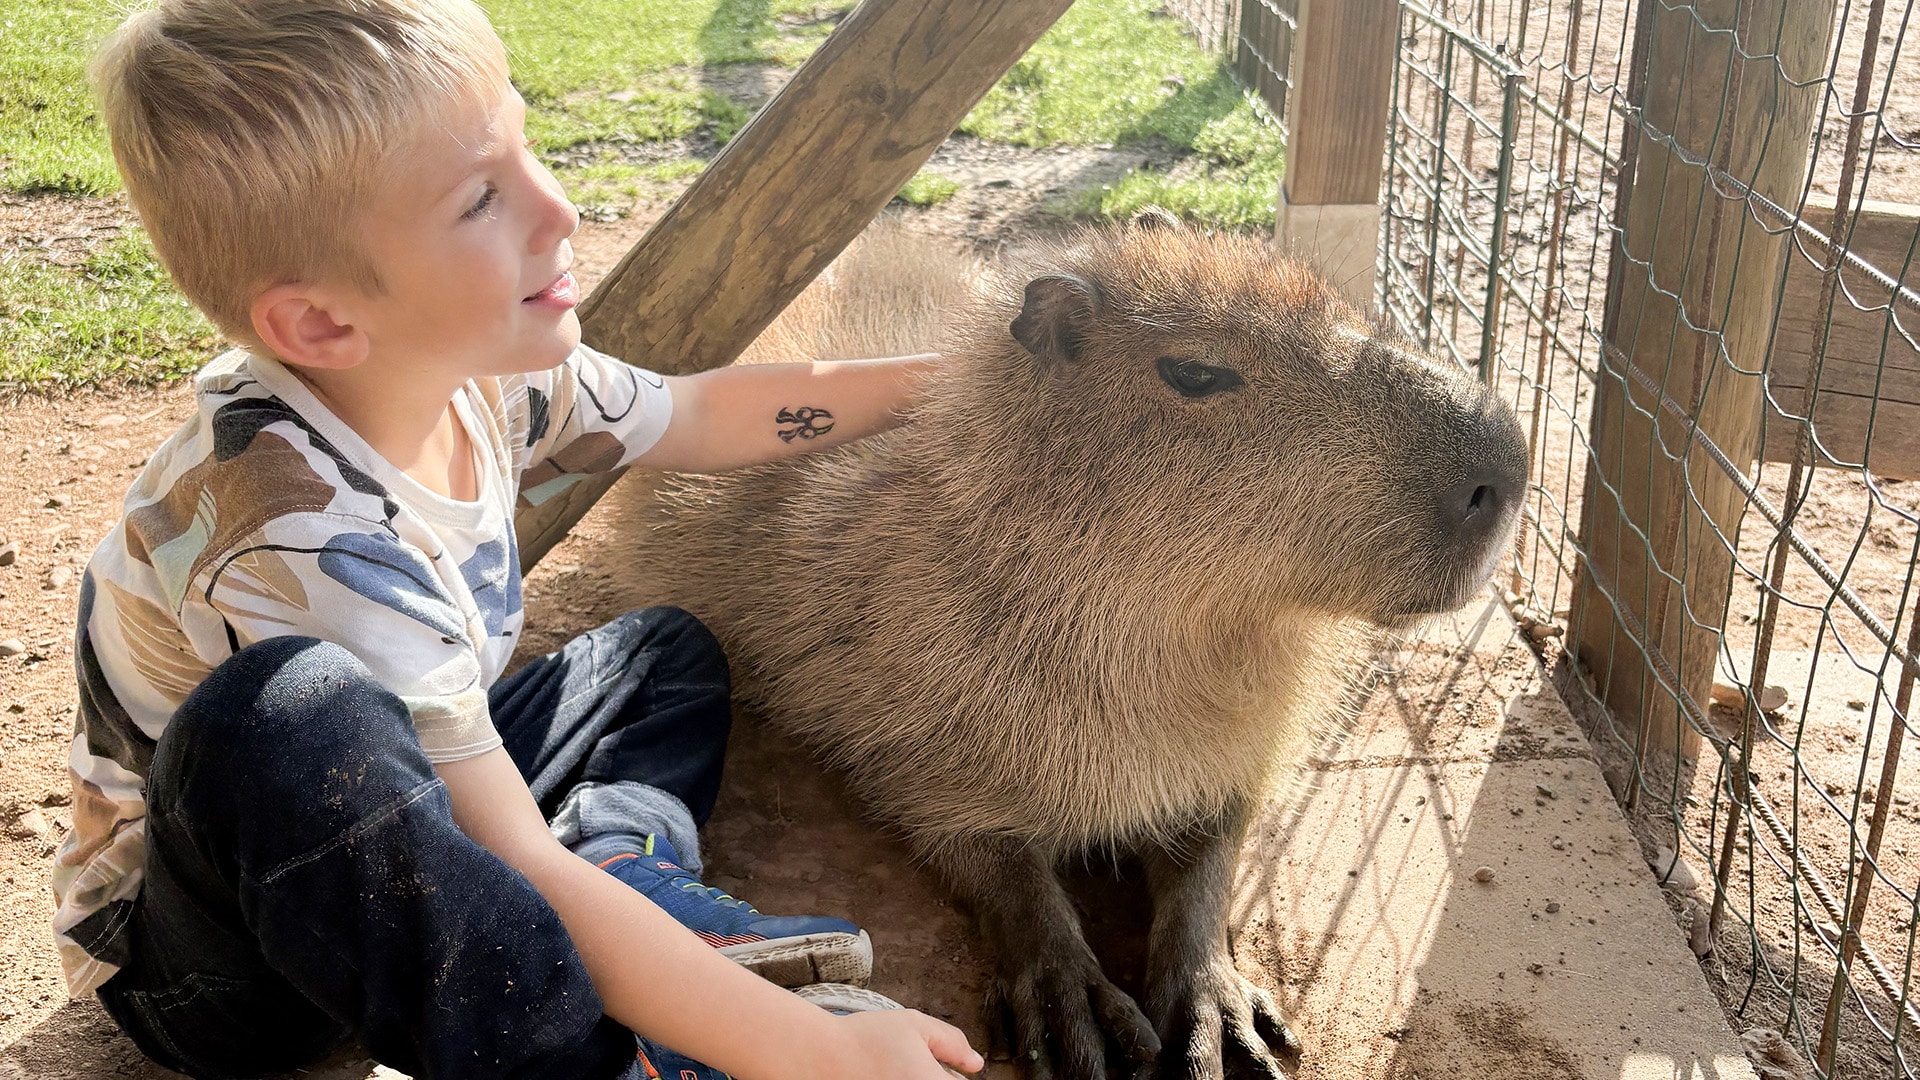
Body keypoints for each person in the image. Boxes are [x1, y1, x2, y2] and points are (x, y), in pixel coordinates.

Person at [55, 2, 983, 1078]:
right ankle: (588, 1056)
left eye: (525, 144)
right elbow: (515, 859)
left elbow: (694, 414)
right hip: (225, 963)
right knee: (287, 716)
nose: (561, 209)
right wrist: (814, 1056)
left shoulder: (483, 371)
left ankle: (630, 875)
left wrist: (957, 383)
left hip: (388, 812)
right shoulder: (296, 536)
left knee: (658, 656)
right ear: (319, 327)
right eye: (481, 200)